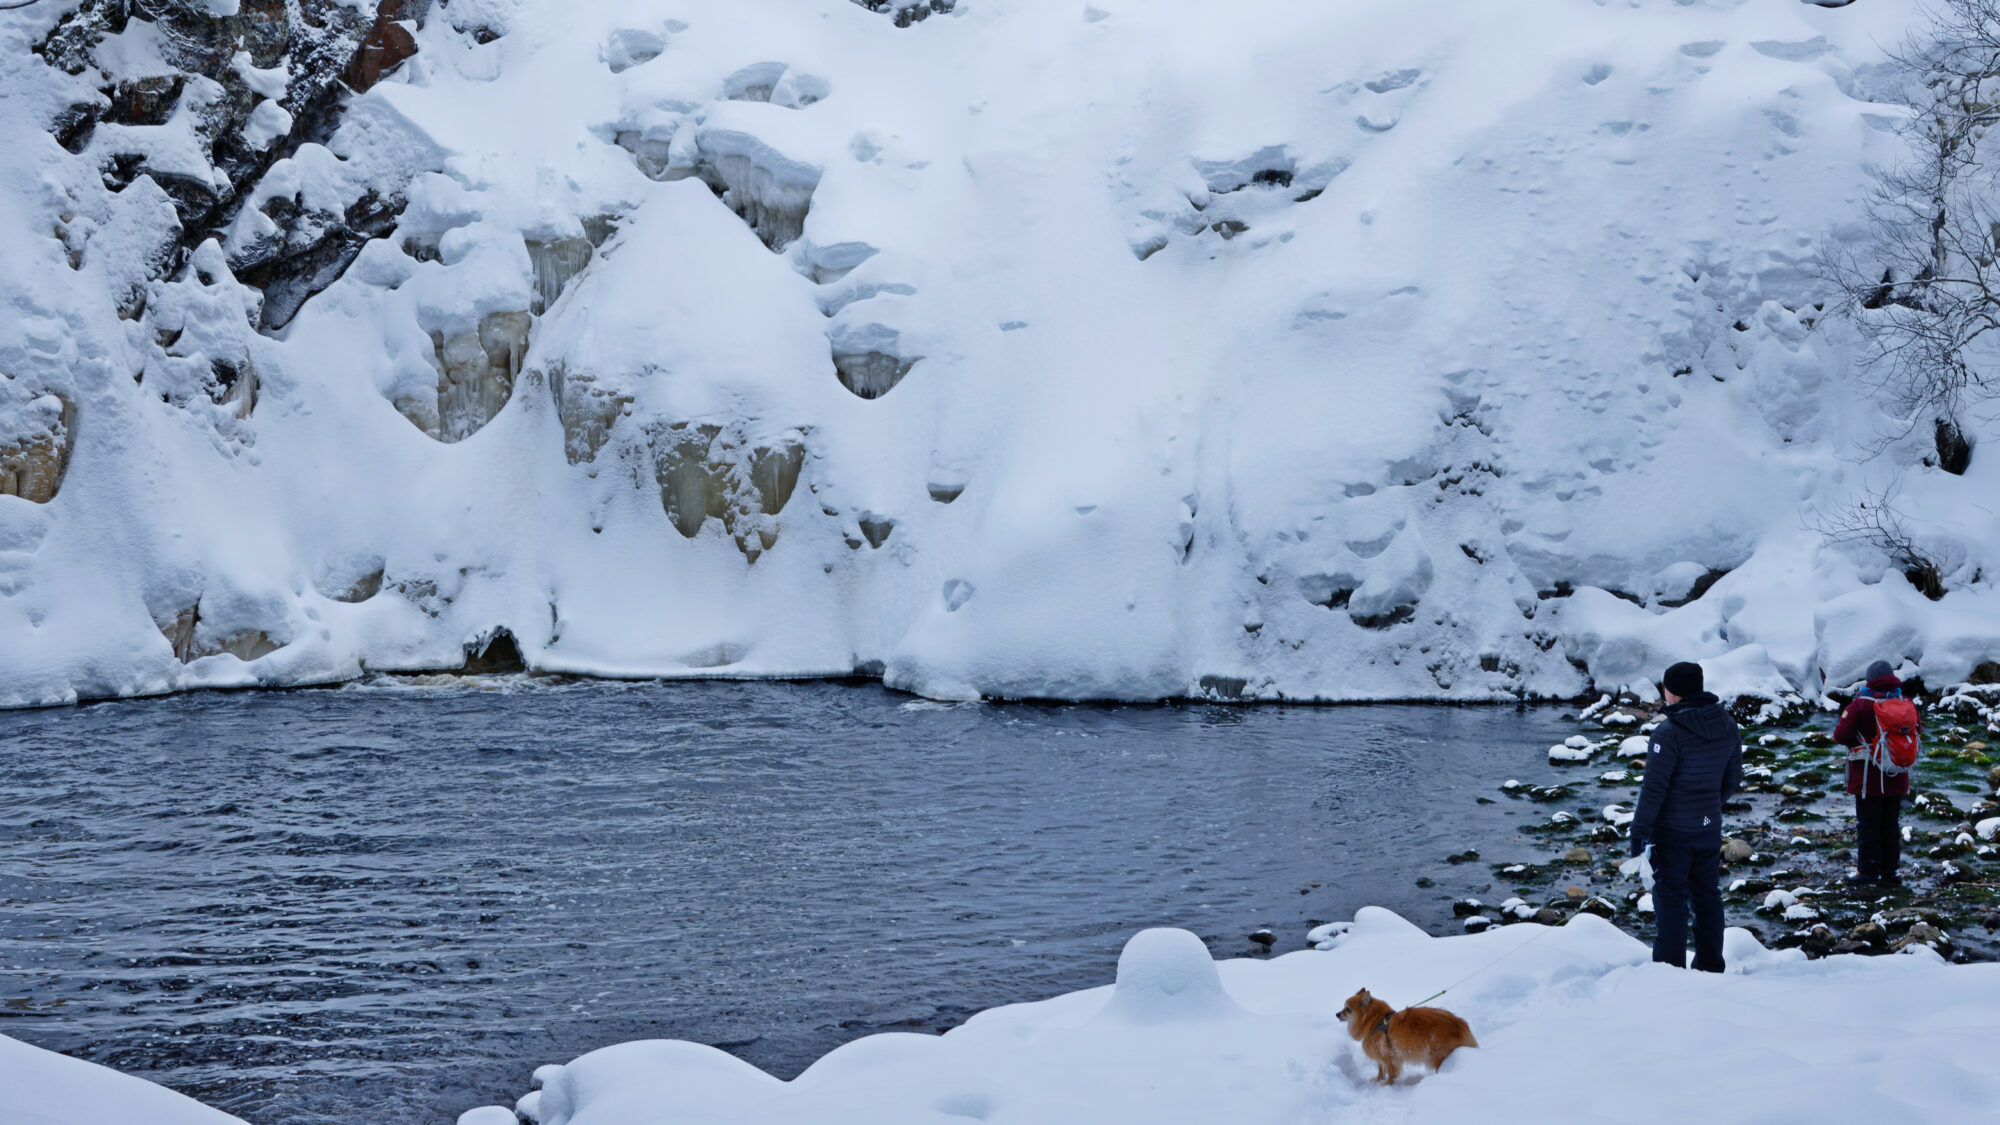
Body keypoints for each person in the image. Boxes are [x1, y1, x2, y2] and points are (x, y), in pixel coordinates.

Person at [1628, 661, 1743, 973]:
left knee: (1671, 901)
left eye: (1665, 688)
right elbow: (1732, 779)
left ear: (1673, 692)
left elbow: (1653, 791)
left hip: (1672, 832)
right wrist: (1707, 807)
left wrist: (1638, 836)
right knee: (1707, 896)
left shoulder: (1668, 733)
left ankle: (1669, 972)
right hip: (1708, 826)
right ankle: (1710, 967)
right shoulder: (1727, 724)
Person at [1832, 659, 1921, 887]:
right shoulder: (1906, 702)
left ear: (1870, 679)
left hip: (1867, 779)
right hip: (1897, 774)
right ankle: (1890, 873)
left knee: (1868, 825)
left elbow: (1841, 736)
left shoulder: (1860, 705)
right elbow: (1917, 731)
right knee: (1890, 824)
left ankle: (1868, 872)